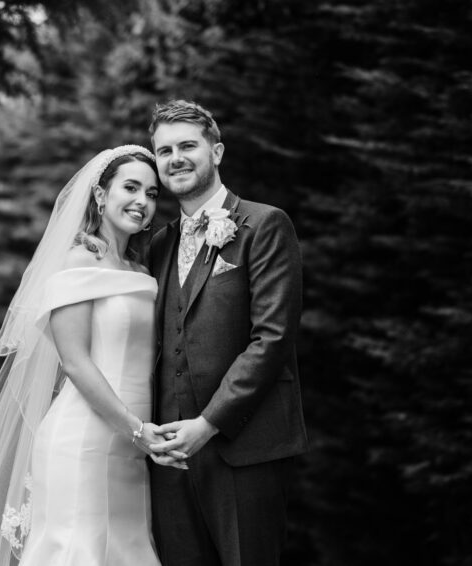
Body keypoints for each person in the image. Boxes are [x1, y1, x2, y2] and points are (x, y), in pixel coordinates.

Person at [0, 145, 185, 566]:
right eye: (130, 187)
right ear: (101, 195)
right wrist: (136, 429)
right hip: (85, 440)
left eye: (151, 192)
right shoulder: (77, 260)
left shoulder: (141, 271)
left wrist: (143, 435)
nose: (142, 202)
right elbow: (75, 362)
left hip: (133, 445)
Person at [147, 100, 309, 566]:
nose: (175, 158)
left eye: (187, 146)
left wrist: (207, 424)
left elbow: (272, 338)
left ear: (216, 152)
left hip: (244, 447)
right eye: (163, 151)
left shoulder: (264, 225)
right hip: (169, 457)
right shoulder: (158, 244)